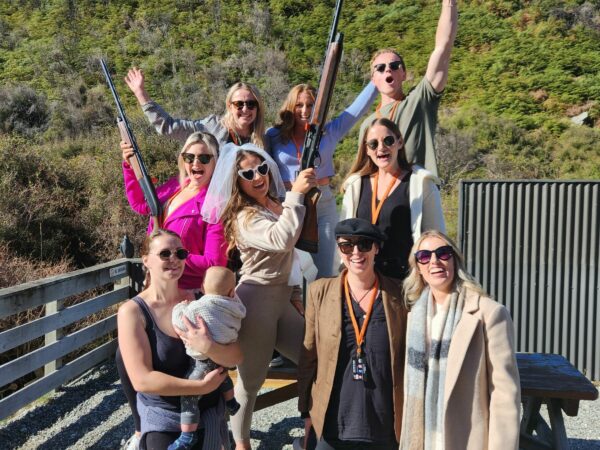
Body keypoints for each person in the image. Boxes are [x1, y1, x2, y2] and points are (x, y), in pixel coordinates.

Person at [201, 143, 317, 450]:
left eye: (262, 168)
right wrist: (297, 195)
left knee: (316, 362)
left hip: (281, 299)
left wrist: (294, 292)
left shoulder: (275, 205)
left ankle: (312, 432)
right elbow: (282, 239)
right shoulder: (244, 217)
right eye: (248, 173)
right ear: (237, 180)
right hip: (256, 302)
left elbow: (290, 255)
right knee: (250, 384)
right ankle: (241, 444)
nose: (258, 176)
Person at [118, 131, 227, 449]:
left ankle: (193, 427)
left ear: (215, 164)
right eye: (190, 156)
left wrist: (170, 261)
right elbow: (141, 202)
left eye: (204, 157)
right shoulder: (172, 187)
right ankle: (143, 428)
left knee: (186, 363)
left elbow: (213, 261)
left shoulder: (214, 205)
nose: (196, 163)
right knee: (127, 359)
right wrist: (129, 166)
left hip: (189, 297)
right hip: (157, 293)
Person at [117, 229, 243, 450]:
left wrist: (208, 346)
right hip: (164, 420)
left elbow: (236, 356)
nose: (174, 259)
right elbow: (142, 380)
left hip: (210, 415)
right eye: (165, 253)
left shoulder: (202, 300)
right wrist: (200, 387)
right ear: (146, 260)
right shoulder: (133, 312)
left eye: (181, 253)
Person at [400, 230, 520, 449]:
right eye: (425, 256)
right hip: (423, 438)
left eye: (443, 253)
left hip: (466, 439)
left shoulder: (488, 314)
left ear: (455, 259)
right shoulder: (414, 317)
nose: (434, 261)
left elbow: (505, 395)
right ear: (418, 268)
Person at [297, 218, 407, 450]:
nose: (356, 252)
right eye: (347, 245)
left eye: (364, 244)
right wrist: (306, 413)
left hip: (385, 426)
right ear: (339, 249)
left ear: (376, 248)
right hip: (332, 425)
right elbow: (309, 356)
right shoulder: (320, 292)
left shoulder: (400, 294)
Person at [266, 82, 378, 277]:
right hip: (286, 204)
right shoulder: (273, 135)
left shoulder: (329, 131)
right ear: (290, 106)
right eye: (299, 105)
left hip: (322, 203)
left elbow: (356, 111)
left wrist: (375, 82)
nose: (305, 110)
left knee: (325, 270)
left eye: (310, 105)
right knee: (289, 272)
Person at [359, 0, 458, 176]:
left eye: (394, 65)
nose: (388, 69)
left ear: (404, 74)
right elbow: (365, 171)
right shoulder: (368, 125)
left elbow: (443, 47)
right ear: (373, 80)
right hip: (382, 199)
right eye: (380, 68)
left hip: (419, 194)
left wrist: (448, 3)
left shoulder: (420, 100)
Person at [341, 118, 445, 280]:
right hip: (364, 281)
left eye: (388, 141)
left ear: (400, 142)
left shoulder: (421, 183)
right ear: (366, 149)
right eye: (373, 144)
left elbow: (437, 238)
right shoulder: (355, 185)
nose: (381, 148)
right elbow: (344, 239)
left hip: (405, 282)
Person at [169, 266, 246, 450]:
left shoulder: (200, 307)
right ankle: (231, 402)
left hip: (203, 361)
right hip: (223, 353)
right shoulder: (235, 306)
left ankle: (187, 435)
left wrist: (180, 307)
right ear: (231, 291)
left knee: (188, 396)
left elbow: (180, 321)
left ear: (202, 287)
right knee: (222, 375)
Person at [124, 67, 265, 148]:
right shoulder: (213, 128)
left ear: (258, 107)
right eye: (239, 104)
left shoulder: (262, 139)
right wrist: (141, 94)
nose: (245, 109)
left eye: (251, 104)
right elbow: (169, 127)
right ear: (229, 106)